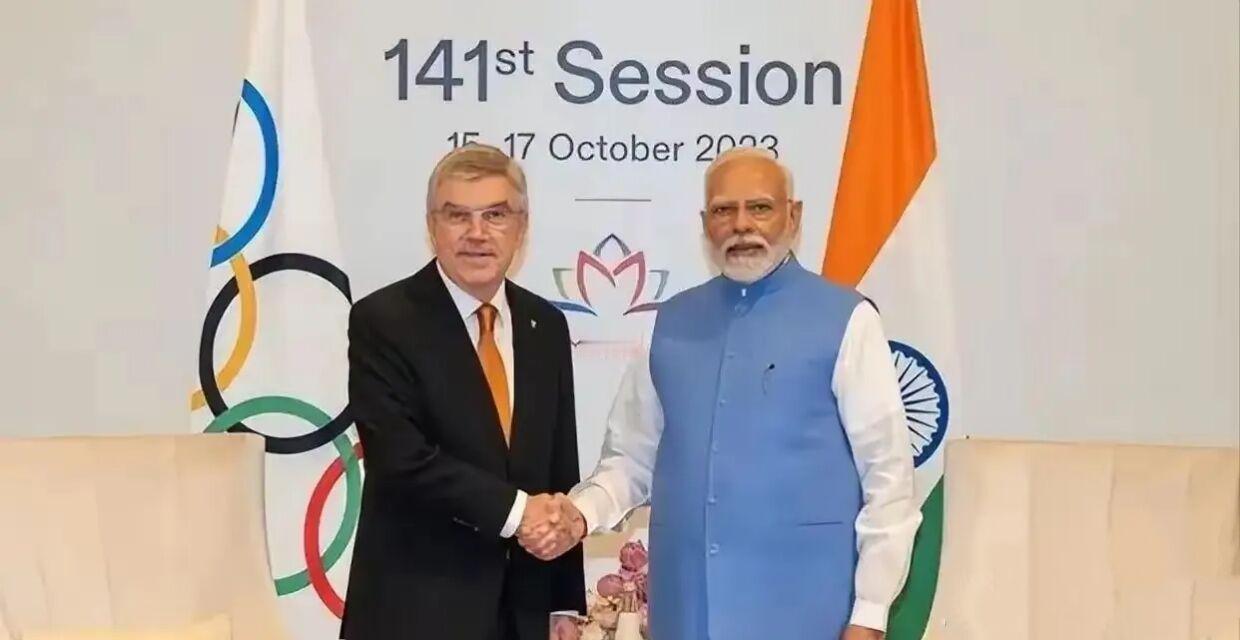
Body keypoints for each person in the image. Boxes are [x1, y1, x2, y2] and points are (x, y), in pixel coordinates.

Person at [531, 147, 921, 640]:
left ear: (793, 216)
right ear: (705, 223)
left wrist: (870, 613)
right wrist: (580, 514)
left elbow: (888, 477)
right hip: (687, 613)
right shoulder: (668, 324)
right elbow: (631, 461)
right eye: (723, 210)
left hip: (809, 613)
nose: (741, 225)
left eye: (759, 207)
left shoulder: (847, 319)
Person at [341, 144, 586, 640]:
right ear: (432, 226)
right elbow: (401, 460)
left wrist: (562, 600)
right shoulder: (383, 321)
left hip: (523, 611)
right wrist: (518, 513)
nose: (477, 233)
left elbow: (559, 463)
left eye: (495, 215)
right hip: (415, 612)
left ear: (521, 226)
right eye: (458, 216)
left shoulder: (545, 325)